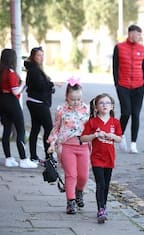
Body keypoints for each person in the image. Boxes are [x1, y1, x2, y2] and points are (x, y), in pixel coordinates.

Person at [47, 79, 90, 214]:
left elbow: (93, 128)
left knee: (83, 176)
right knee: (71, 174)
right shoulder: (61, 110)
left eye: (78, 99)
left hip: (83, 146)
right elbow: (56, 128)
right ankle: (70, 202)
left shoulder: (87, 109)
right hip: (67, 146)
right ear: (67, 97)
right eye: (72, 99)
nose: (76, 102)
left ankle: (79, 191)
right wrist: (52, 144)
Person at [81, 93, 122, 223]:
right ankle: (101, 209)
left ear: (112, 106)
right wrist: (95, 135)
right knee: (100, 183)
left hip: (109, 158)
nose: (105, 105)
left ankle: (104, 206)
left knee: (106, 184)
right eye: (101, 103)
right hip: (97, 158)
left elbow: (119, 138)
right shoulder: (92, 122)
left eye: (107, 103)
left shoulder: (115, 122)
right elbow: (83, 138)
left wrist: (112, 136)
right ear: (96, 107)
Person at [112, 24, 144, 154]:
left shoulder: (142, 49)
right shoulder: (119, 47)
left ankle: (133, 143)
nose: (139, 37)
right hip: (123, 85)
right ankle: (120, 136)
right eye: (138, 34)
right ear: (131, 33)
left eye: (140, 34)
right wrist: (117, 83)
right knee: (126, 112)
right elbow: (115, 66)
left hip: (138, 86)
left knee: (136, 114)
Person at [0, 48, 38, 168]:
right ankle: (23, 159)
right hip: (12, 102)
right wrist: (22, 85)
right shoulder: (10, 72)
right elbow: (15, 90)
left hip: (2, 101)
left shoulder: (1, 72)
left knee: (6, 130)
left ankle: (8, 158)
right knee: (20, 129)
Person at [24, 47, 56, 163]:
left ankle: (34, 156)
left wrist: (50, 87)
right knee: (48, 129)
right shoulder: (34, 70)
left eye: (42, 55)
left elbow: (40, 86)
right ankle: (49, 157)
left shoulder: (35, 69)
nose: (41, 58)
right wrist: (52, 84)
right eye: (39, 55)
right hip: (38, 103)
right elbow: (40, 85)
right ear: (33, 56)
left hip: (35, 101)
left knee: (36, 128)